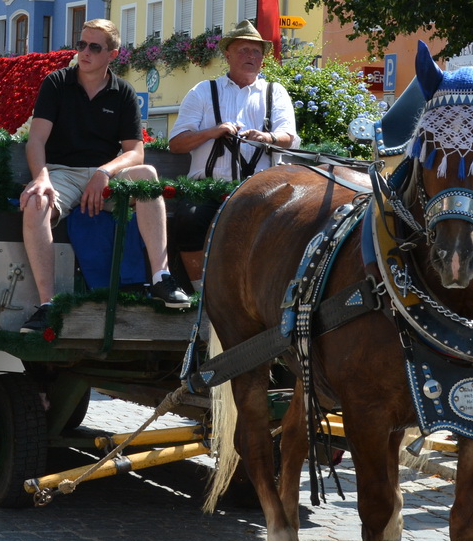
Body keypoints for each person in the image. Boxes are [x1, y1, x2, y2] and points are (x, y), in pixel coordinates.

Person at [18, 19, 190, 332]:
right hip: (62, 173)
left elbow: (135, 153)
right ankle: (47, 305)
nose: (84, 52)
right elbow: (36, 140)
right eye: (81, 44)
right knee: (35, 202)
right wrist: (41, 178)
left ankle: (161, 278)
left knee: (147, 173)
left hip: (106, 176)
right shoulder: (56, 83)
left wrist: (104, 172)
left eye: (94, 47)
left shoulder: (123, 92)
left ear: (112, 54)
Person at [168, 19, 299, 280]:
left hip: (261, 188)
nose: (251, 56)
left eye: (256, 51)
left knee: (291, 224)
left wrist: (266, 137)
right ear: (227, 54)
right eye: (244, 50)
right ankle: (200, 290)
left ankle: (266, 289)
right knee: (189, 219)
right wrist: (213, 131)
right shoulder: (203, 91)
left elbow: (290, 138)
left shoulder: (275, 92)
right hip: (207, 188)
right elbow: (176, 143)